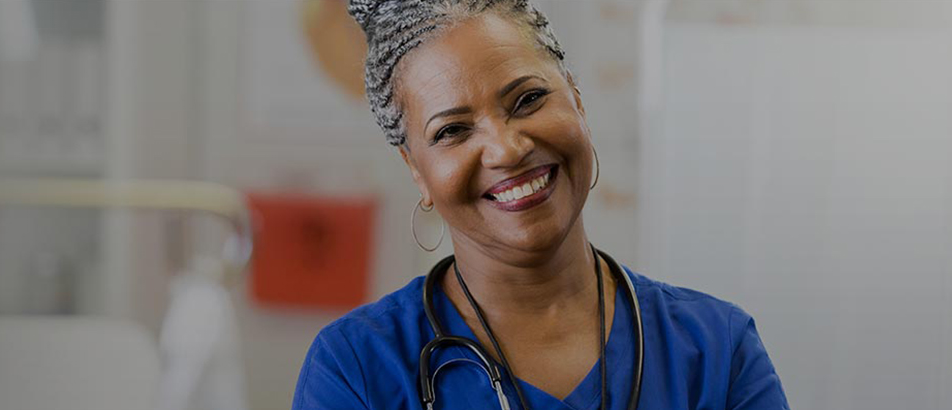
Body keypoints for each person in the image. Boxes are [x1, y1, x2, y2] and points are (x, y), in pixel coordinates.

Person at [292, 1, 789, 409]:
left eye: (528, 100)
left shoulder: (716, 350)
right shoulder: (355, 369)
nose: (507, 150)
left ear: (576, 99)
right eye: (452, 131)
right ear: (416, 170)